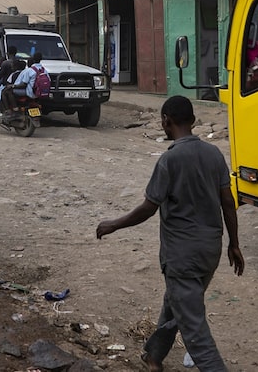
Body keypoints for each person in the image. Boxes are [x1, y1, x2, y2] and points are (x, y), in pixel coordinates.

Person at [96, 96, 244, 372]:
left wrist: (113, 224)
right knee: (177, 303)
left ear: (166, 121)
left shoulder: (169, 160)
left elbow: (148, 208)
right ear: (193, 121)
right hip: (209, 252)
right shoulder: (214, 154)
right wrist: (234, 244)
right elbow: (228, 202)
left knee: (196, 333)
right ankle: (154, 356)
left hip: (181, 256)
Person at [0, 52, 41, 116]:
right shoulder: (43, 70)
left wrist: (13, 86)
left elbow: (24, 84)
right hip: (38, 91)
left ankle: (12, 109)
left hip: (29, 91)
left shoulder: (29, 71)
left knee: (7, 91)